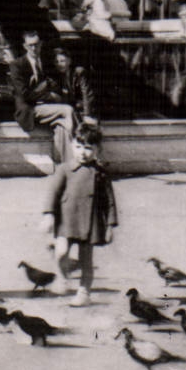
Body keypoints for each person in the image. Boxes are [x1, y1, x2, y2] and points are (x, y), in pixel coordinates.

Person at [40, 121, 119, 307]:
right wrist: (49, 215)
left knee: (86, 260)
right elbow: (53, 193)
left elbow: (110, 201)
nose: (82, 152)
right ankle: (62, 276)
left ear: (98, 149)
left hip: (90, 221)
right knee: (60, 253)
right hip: (66, 220)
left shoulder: (100, 173)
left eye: (88, 148)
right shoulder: (64, 169)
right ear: (71, 146)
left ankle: (84, 292)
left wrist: (110, 226)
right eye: (78, 147)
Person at [8, 29, 77, 163]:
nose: (34, 48)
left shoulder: (47, 62)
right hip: (30, 109)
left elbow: (55, 85)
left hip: (48, 108)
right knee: (68, 110)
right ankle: (83, 151)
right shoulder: (17, 65)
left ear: (41, 44)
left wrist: (49, 92)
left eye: (36, 44)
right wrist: (48, 95)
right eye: (30, 45)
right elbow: (24, 94)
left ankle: (65, 165)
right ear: (25, 46)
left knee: (62, 127)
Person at [50, 44, 100, 126]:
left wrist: (87, 115)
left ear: (69, 61)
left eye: (62, 61)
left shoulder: (79, 72)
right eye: (56, 62)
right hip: (71, 111)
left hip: (86, 110)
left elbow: (87, 94)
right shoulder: (56, 77)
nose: (59, 64)